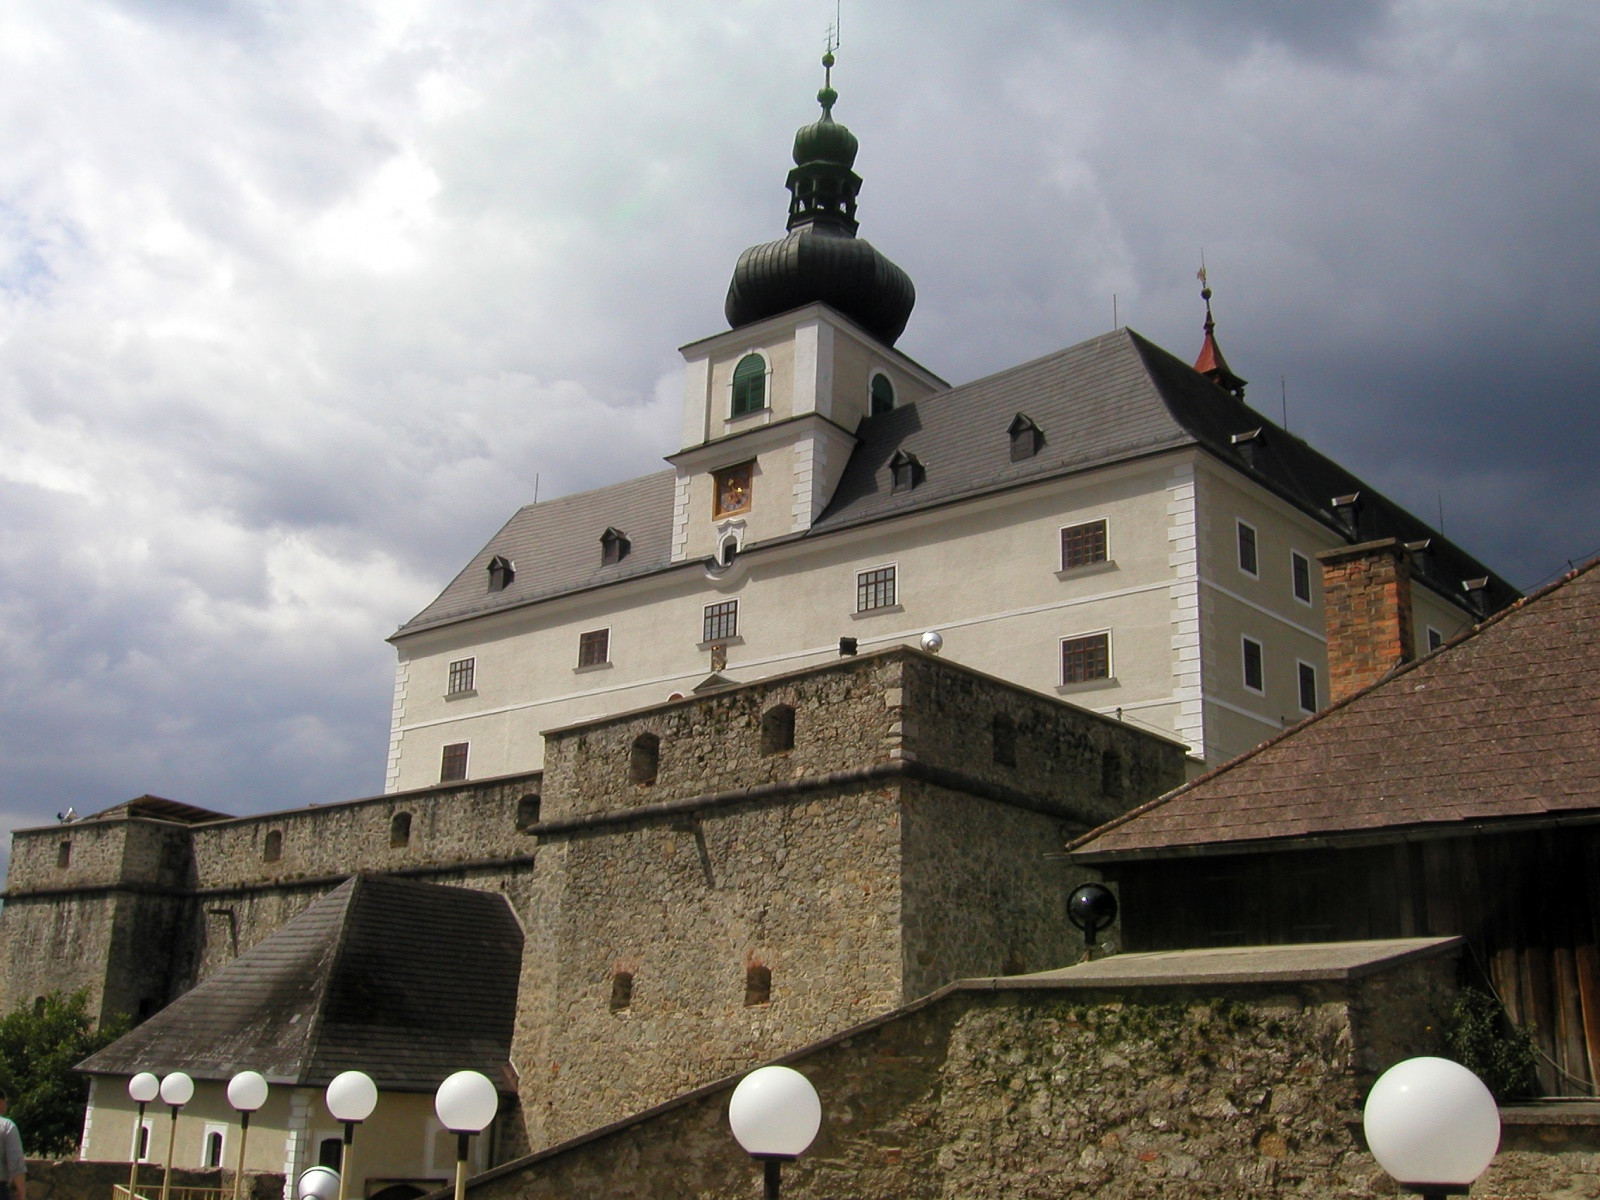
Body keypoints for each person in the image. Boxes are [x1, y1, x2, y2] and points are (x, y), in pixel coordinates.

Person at [0, 1091, 24, 1200]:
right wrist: (21, 1191)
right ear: (1, 1101)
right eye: (6, 1101)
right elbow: (15, 1162)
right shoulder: (6, 1126)